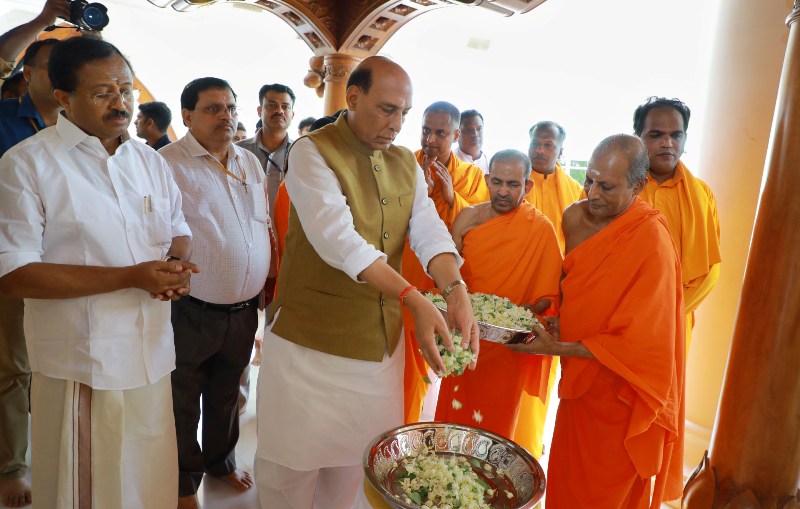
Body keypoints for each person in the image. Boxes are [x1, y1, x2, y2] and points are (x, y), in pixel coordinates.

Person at [254, 56, 479, 508]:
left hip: (376, 353)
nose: (396, 125)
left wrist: (456, 291)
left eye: (404, 114)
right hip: (308, 347)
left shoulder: (405, 164)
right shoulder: (312, 152)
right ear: (352, 97)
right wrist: (414, 298)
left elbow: (429, 230)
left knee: (358, 469)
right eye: (386, 109)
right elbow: (340, 242)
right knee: (289, 474)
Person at [0, 36, 197, 509]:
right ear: (64, 97)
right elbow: (15, 275)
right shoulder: (28, 164)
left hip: (149, 353)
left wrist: (177, 266)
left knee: (147, 481)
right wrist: (131, 277)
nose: (120, 103)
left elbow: (177, 228)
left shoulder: (149, 161)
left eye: (126, 90)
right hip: (82, 364)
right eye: (102, 92)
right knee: (85, 490)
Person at [509, 134, 685, 508]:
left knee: (605, 495)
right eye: (589, 180)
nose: (592, 193)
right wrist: (553, 318)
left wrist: (556, 347)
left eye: (606, 186)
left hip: (621, 394)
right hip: (580, 386)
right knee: (567, 484)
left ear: (638, 186)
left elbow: (643, 344)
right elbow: (577, 294)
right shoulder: (574, 217)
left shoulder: (652, 240)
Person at [159, 77, 270, 509]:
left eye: (230, 107)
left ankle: (220, 462)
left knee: (228, 395)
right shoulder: (167, 163)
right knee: (183, 398)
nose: (226, 116)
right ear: (187, 115)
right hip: (191, 308)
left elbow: (262, 226)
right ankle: (184, 481)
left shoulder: (249, 162)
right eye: (213, 108)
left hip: (243, 310)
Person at [434, 149, 562, 458]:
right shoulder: (468, 217)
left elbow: (551, 296)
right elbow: (446, 272)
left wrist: (530, 310)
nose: (503, 191)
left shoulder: (540, 228)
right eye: (498, 182)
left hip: (507, 346)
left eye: (513, 184)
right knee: (455, 416)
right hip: (464, 335)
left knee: (496, 424)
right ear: (487, 180)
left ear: (527, 187)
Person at [0, 5, 68, 504]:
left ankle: (52, 452)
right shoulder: (5, 117)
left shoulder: (83, 132)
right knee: (12, 367)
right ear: (28, 73)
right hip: (13, 265)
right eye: (52, 66)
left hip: (68, 267)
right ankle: (12, 464)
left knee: (56, 364)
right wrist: (45, 17)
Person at [402, 100, 488, 425]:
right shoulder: (404, 165)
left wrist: (452, 198)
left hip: (449, 286)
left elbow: (480, 225)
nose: (430, 140)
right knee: (405, 375)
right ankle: (404, 425)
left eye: (440, 133)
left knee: (446, 369)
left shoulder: (471, 176)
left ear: (455, 135)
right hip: (407, 281)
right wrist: (416, 193)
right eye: (426, 130)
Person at [516, 120, 585, 457]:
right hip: (511, 292)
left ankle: (527, 443)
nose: (541, 151)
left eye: (548, 145)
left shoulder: (576, 192)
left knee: (538, 379)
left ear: (560, 150)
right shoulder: (513, 183)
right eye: (536, 144)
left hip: (552, 301)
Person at [634, 96, 721, 349]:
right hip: (613, 321)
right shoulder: (613, 188)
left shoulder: (702, 195)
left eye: (676, 135)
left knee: (664, 388)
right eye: (656, 134)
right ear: (638, 137)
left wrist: (667, 310)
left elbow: (709, 270)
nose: (667, 143)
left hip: (673, 324)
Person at [237, 83, 295, 220]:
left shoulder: (300, 153)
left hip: (287, 235)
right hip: (249, 233)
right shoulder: (238, 152)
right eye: (272, 105)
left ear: (292, 114)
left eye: (285, 106)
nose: (279, 110)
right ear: (259, 111)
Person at [453, 109, 489, 173]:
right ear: (457, 134)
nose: (475, 134)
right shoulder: (448, 160)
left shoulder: (491, 162)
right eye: (469, 130)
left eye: (479, 129)